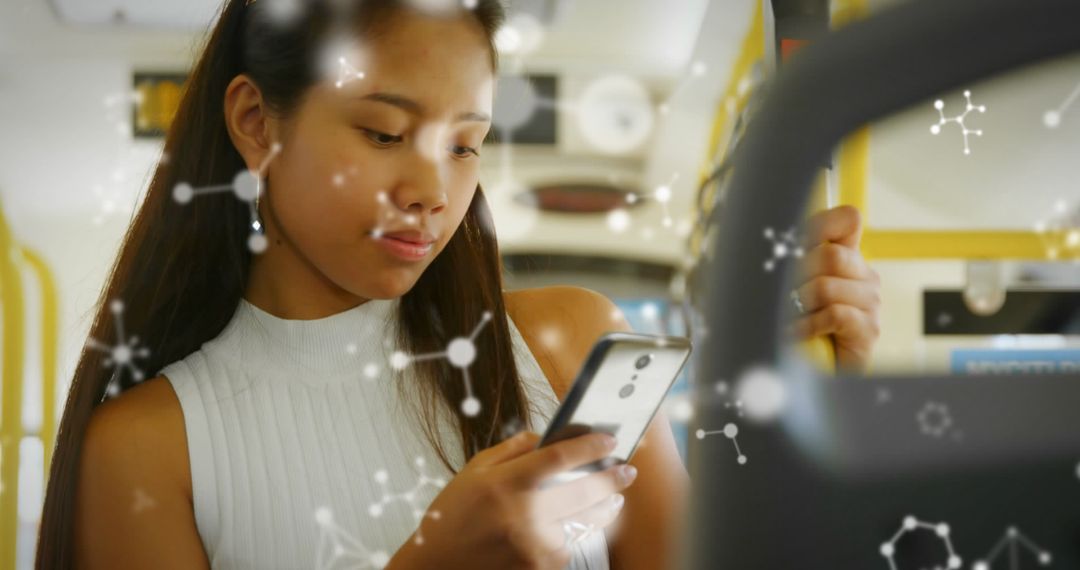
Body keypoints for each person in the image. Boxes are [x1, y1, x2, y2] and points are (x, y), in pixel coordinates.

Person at [36, 0, 881, 568]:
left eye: (465, 145)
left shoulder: (567, 342)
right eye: (383, 132)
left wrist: (806, 390)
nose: (433, 191)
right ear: (258, 125)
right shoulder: (144, 448)